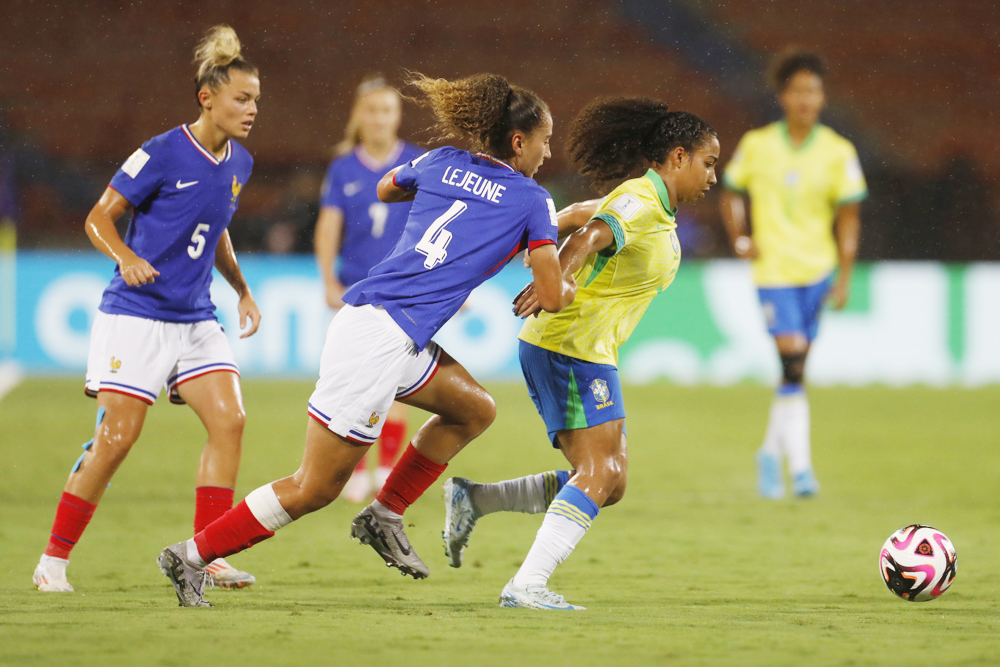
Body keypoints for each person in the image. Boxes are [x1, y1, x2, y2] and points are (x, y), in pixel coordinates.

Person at [157, 72, 575, 607]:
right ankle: (190, 556)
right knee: (314, 487)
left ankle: (385, 513)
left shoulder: (439, 159)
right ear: (519, 142)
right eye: (544, 140)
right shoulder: (532, 199)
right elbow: (554, 295)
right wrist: (573, 253)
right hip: (379, 339)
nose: (546, 152)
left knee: (473, 409)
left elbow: (386, 188)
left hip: (387, 326)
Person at [443, 97, 720, 610]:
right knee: (602, 473)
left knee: (608, 481)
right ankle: (525, 586)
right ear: (678, 157)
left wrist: (556, 226)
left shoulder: (649, 205)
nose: (713, 176)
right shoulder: (640, 202)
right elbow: (592, 235)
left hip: (588, 350)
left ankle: (475, 498)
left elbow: (579, 215)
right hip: (569, 347)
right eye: (708, 162)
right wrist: (559, 276)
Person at [31, 25, 263, 593]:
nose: (253, 109)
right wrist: (126, 256)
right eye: (243, 98)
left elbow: (217, 232)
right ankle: (52, 562)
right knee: (116, 440)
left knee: (230, 421)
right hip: (135, 313)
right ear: (207, 98)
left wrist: (241, 289)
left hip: (194, 317)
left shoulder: (241, 162)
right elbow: (97, 218)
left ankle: (205, 554)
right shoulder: (161, 152)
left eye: (257, 99)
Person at [718, 50, 866, 499]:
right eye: (798, 90)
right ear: (783, 96)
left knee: (793, 372)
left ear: (823, 97)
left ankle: (769, 452)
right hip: (775, 270)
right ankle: (801, 469)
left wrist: (843, 276)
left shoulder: (838, 152)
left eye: (814, 90)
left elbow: (849, 218)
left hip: (817, 271)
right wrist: (740, 237)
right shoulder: (758, 144)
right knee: (793, 358)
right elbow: (730, 193)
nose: (806, 98)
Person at [314, 74, 424, 502]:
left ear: (397, 117)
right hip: (358, 291)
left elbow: (438, 226)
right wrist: (327, 279)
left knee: (395, 383)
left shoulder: (416, 164)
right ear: (359, 116)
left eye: (387, 111)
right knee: (356, 384)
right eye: (372, 110)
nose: (379, 119)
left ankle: (388, 468)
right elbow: (328, 226)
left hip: (404, 289)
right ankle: (358, 468)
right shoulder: (343, 168)